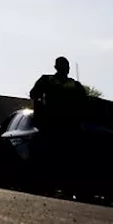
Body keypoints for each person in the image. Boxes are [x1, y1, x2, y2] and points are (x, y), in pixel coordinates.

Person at [28, 57, 87, 193]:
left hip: (68, 127)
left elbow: (85, 101)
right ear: (56, 67)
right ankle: (50, 185)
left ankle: (67, 186)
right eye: (63, 66)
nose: (65, 69)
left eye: (66, 66)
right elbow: (33, 94)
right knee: (51, 155)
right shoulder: (47, 80)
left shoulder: (73, 84)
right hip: (51, 126)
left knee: (67, 157)